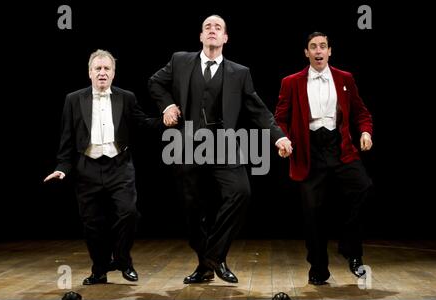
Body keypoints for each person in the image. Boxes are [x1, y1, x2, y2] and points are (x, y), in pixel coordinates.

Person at [149, 15, 292, 284]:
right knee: (191, 210)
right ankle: (206, 264)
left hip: (223, 145)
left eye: (218, 28)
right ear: (201, 37)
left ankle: (213, 256)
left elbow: (258, 110)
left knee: (241, 192)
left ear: (225, 38)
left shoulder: (240, 73)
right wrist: (167, 106)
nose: (212, 30)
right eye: (207, 27)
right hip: (186, 144)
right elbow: (155, 82)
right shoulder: (180, 61)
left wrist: (278, 138)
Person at [44, 49, 160, 285]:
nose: (102, 73)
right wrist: (62, 167)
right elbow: (66, 139)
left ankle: (123, 260)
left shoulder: (126, 97)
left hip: (119, 165)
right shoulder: (73, 99)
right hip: (86, 167)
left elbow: (143, 123)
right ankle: (99, 270)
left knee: (128, 213)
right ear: (89, 73)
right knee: (92, 223)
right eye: (98, 69)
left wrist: (167, 118)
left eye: (107, 69)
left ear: (114, 73)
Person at [274, 32, 373, 285]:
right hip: (309, 149)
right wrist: (282, 139)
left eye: (323, 46)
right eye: (313, 47)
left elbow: (361, 112)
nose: (318, 51)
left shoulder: (345, 78)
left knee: (363, 187)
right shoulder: (291, 82)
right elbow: (280, 118)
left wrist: (365, 132)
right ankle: (318, 268)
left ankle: (351, 250)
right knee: (313, 212)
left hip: (339, 147)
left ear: (330, 51)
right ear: (306, 52)